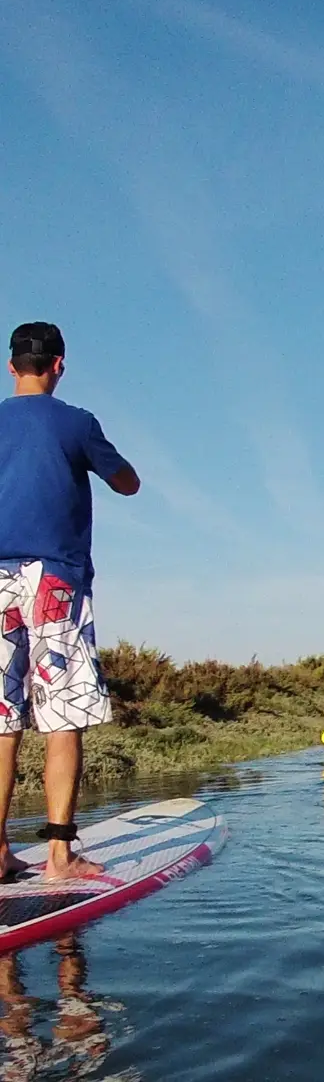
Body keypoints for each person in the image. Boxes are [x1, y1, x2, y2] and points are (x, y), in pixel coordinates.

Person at [0, 323, 140, 881]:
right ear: (59, 365)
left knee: (1, 717)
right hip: (55, 575)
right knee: (63, 715)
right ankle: (59, 853)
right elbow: (126, 483)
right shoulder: (78, 422)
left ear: (12, 366)